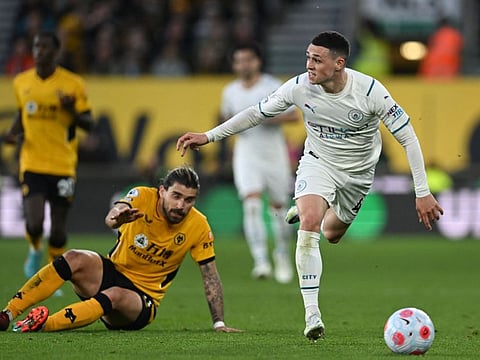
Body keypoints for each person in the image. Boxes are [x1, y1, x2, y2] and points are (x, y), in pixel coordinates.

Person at [176, 31, 444, 341]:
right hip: (318, 163)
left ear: (339, 63)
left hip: (358, 176)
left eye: (317, 59)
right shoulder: (299, 87)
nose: (309, 65)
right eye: (307, 57)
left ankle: (304, 209)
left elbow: (408, 137)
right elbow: (255, 114)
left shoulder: (371, 91)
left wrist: (422, 191)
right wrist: (209, 136)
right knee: (310, 224)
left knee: (331, 234)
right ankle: (312, 314)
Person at [0, 165, 241, 333]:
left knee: (115, 294)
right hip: (111, 272)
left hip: (141, 301)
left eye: (189, 200)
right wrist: (117, 218)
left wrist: (219, 323)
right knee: (73, 257)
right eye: (176, 196)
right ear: (162, 191)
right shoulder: (141, 196)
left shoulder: (199, 226)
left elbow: (210, 276)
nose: (181, 205)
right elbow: (113, 215)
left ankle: (43, 325)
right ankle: (8, 314)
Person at [3, 31, 94, 282]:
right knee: (34, 223)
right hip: (32, 162)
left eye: (44, 47)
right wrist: (13, 133)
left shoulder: (73, 83)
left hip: (63, 164)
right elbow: (23, 112)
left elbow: (88, 123)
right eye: (36, 47)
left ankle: (54, 274)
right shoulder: (22, 81)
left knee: (57, 229)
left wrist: (70, 110)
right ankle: (34, 250)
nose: (39, 51)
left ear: (56, 52)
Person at [220, 43, 299, 283]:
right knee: (251, 204)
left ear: (257, 62)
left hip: (274, 154)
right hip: (247, 154)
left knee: (279, 209)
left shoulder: (272, 86)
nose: (244, 65)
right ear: (234, 65)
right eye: (239, 60)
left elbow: (295, 115)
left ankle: (282, 256)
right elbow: (226, 118)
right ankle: (261, 261)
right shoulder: (230, 91)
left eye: (248, 59)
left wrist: (265, 118)